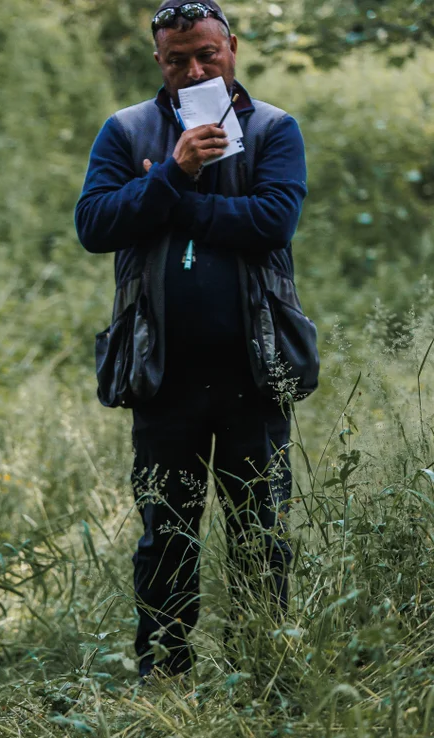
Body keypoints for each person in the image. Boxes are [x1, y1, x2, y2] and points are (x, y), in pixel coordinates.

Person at [75, 2, 316, 678]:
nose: (194, 68)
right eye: (178, 57)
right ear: (158, 59)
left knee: (261, 531)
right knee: (166, 534)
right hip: (161, 372)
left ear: (232, 47)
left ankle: (267, 667)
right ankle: (164, 672)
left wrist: (170, 201)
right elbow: (94, 226)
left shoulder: (273, 129)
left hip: (256, 369)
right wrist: (173, 171)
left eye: (206, 53)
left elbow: (273, 221)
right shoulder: (127, 131)